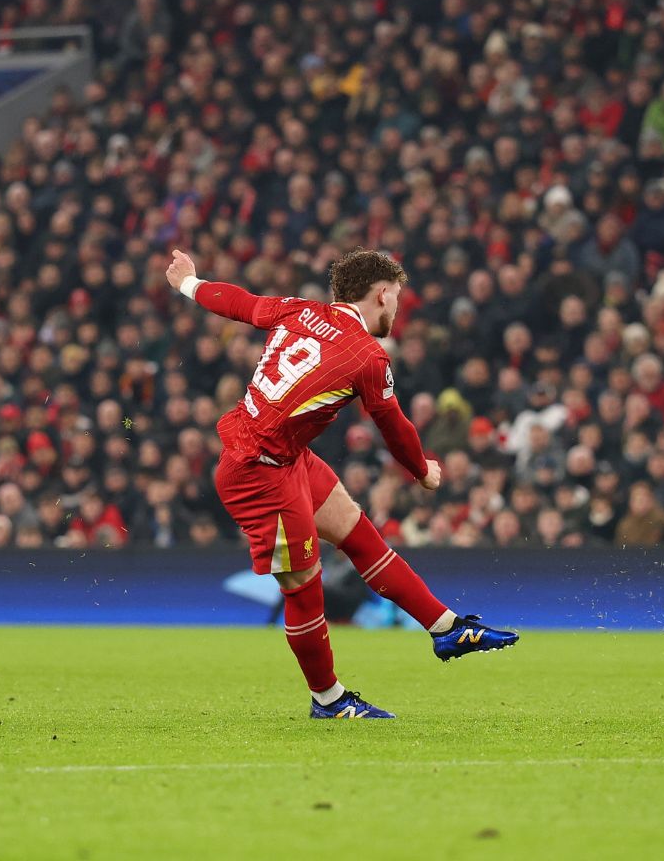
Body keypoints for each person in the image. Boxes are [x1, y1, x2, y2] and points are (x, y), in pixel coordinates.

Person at [165, 247, 518, 719]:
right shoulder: (367, 356)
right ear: (382, 293)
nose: (396, 308)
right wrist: (422, 471)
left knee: (359, 535)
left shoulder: (301, 310)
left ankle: (446, 628)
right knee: (304, 587)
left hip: (286, 455)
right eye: (396, 297)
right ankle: (328, 700)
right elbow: (394, 427)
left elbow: (239, 303)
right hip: (258, 472)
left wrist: (189, 282)